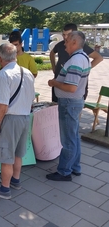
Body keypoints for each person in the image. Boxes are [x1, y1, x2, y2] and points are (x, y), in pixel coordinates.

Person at [0, 43, 35, 199]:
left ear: (0, 58)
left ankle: (4, 189)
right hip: (25, 117)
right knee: (17, 153)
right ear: (15, 55)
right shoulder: (27, 73)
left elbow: (2, 104)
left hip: (10, 119)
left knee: (6, 155)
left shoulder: (3, 74)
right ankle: (15, 180)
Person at [46, 31, 91, 181]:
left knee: (68, 139)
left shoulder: (76, 60)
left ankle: (64, 171)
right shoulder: (83, 57)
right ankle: (75, 167)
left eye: (66, 41)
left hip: (69, 103)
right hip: (74, 102)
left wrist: (54, 83)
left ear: (74, 42)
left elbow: (71, 87)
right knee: (74, 137)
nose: (64, 44)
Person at [50, 23, 103, 102]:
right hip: (59, 85)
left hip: (73, 94)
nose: (65, 38)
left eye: (68, 35)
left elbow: (99, 58)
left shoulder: (81, 49)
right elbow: (52, 53)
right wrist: (54, 68)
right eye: (63, 34)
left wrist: (85, 69)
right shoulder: (60, 45)